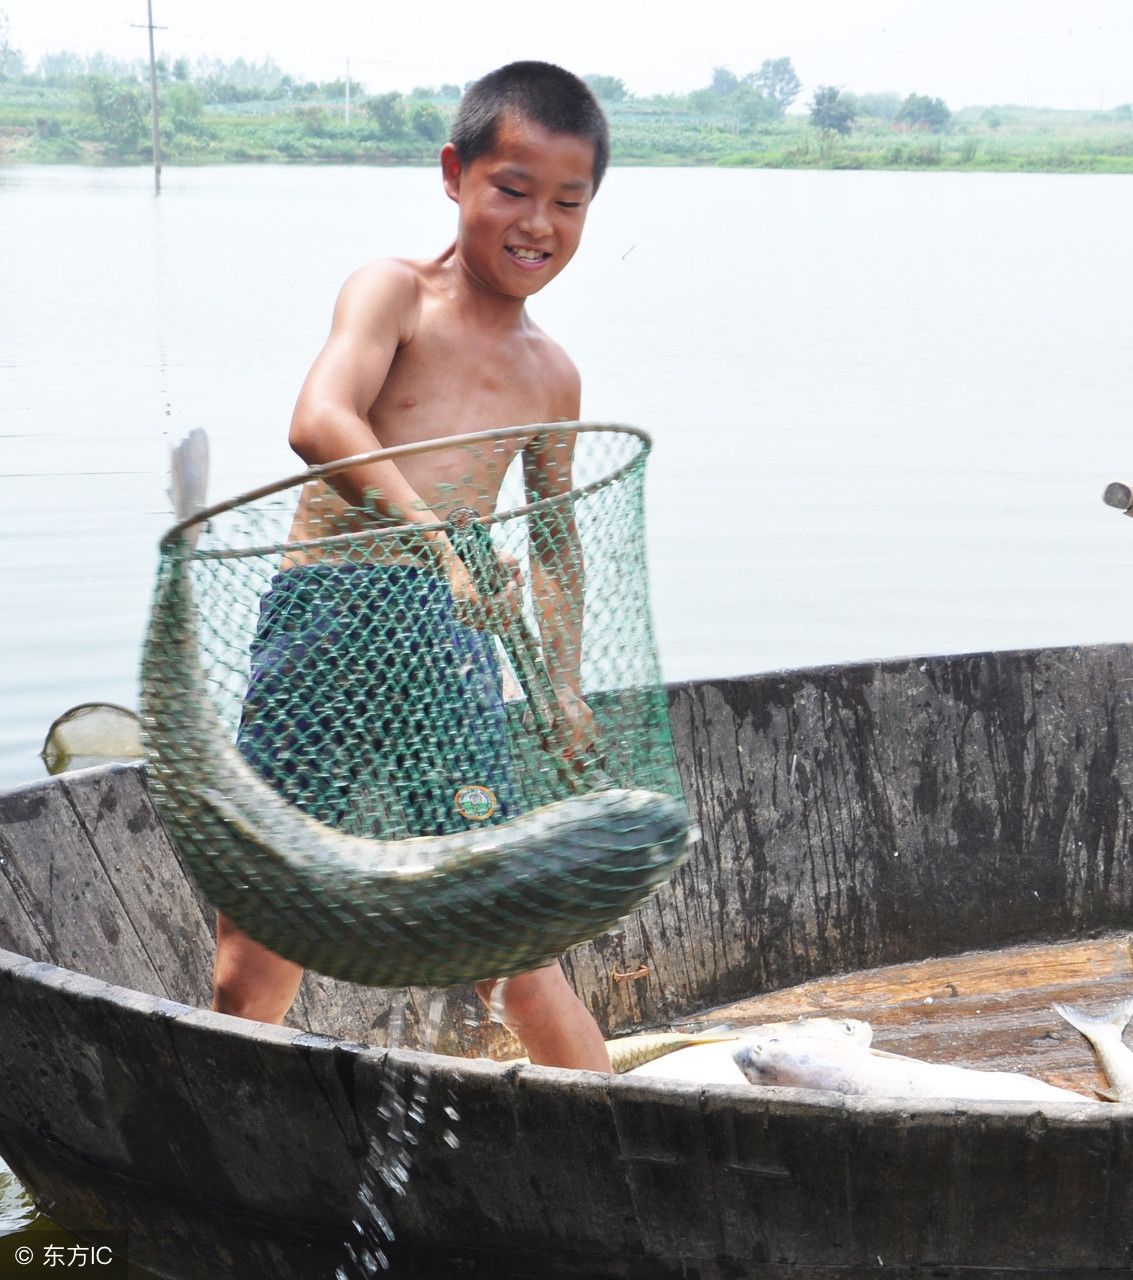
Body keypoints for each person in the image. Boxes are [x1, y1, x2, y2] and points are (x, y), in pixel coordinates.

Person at [212, 61, 614, 1072]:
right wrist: (441, 543)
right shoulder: (393, 293)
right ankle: (221, 1127)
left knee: (510, 937)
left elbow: (557, 538)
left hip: (449, 656)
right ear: (454, 174)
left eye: (567, 202)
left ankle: (620, 1145)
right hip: (323, 625)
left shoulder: (550, 372)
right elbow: (319, 420)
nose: (537, 223)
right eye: (511, 188)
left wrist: (560, 684)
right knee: (253, 945)